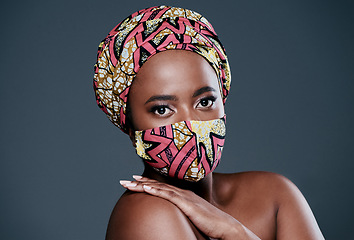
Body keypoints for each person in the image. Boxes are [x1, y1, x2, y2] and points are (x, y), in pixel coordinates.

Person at [93, 5, 324, 240]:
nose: (190, 123)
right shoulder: (145, 214)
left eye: (204, 102)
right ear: (131, 130)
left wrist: (235, 231)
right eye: (162, 109)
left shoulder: (275, 194)